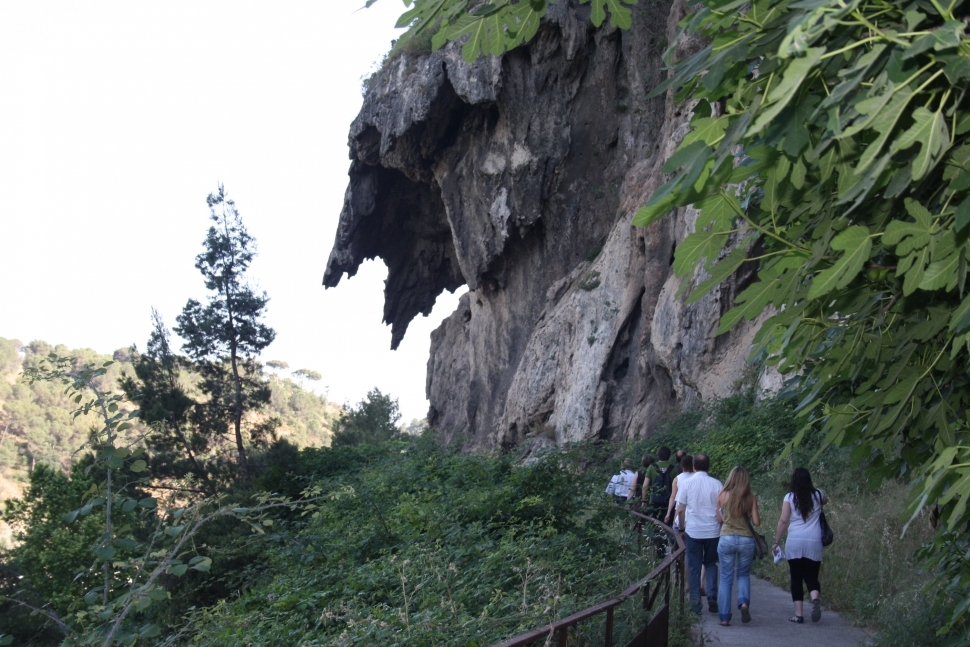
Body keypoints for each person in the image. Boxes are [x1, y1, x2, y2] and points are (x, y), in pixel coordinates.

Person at [773, 467, 828, 623]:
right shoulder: (818, 495)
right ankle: (815, 599)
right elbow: (825, 500)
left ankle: (798, 615)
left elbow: (783, 520)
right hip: (814, 541)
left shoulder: (789, 497)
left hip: (795, 541)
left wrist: (777, 542)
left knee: (796, 578)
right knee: (812, 576)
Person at [676, 453, 723, 614]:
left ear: (694, 466)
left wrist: (681, 529)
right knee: (711, 564)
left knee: (694, 567)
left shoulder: (686, 484)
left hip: (693, 531)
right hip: (713, 531)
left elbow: (680, 510)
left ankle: (695, 604)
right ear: (708, 466)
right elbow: (721, 510)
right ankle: (712, 595)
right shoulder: (717, 484)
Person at [715, 466, 760, 626]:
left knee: (725, 578)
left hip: (726, 538)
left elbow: (719, 520)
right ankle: (744, 603)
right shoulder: (751, 497)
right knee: (743, 574)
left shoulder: (722, 495)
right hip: (746, 539)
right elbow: (756, 522)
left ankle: (725, 617)